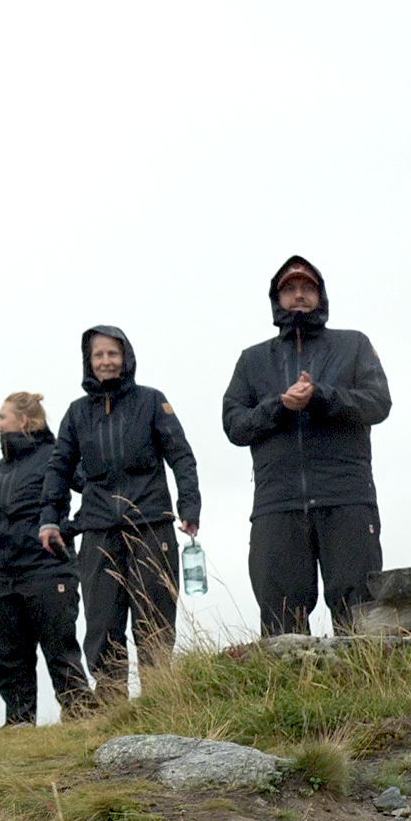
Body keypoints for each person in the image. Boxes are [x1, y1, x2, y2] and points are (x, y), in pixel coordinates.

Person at [220, 256, 392, 636]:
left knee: (359, 612)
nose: (299, 295)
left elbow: (378, 403)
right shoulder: (252, 360)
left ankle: (371, 690)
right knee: (281, 621)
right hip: (276, 504)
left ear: (321, 295)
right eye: (290, 289)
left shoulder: (354, 344)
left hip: (346, 497)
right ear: (276, 298)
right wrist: (278, 405)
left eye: (307, 288)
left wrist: (321, 396)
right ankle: (288, 694)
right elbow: (233, 424)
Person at [37, 327, 199, 699]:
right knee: (102, 623)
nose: (106, 362)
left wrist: (189, 505)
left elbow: (181, 456)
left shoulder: (152, 401)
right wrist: (50, 519)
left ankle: (160, 698)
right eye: (99, 356)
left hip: (151, 525)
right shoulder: (77, 413)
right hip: (97, 530)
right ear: (88, 362)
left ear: (126, 358)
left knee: (154, 618)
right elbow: (59, 468)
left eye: (113, 354)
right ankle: (111, 705)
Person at [0, 390, 91, 725]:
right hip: (5, 575)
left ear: (23, 420)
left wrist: (68, 529)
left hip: (49, 570)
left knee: (61, 653)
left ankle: (83, 719)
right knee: (11, 658)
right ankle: (18, 725)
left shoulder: (57, 456)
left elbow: (93, 489)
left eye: (2, 415)